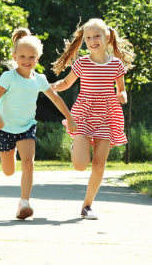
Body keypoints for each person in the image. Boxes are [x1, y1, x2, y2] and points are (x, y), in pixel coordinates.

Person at [51, 18, 135, 220]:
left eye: (97, 36)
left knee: (99, 165)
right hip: (84, 115)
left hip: (107, 115)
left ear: (107, 37)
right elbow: (66, 83)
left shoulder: (116, 64)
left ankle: (87, 206)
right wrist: (49, 86)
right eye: (88, 37)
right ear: (84, 42)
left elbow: (120, 90)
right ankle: (77, 145)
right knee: (80, 165)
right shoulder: (82, 63)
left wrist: (121, 96)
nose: (92, 40)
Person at [0, 28, 77, 219]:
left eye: (31, 56)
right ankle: (10, 155)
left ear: (38, 58)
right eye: (22, 56)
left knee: (28, 163)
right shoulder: (8, 77)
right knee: (8, 171)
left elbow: (56, 99)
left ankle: (25, 202)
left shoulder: (39, 79)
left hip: (27, 127)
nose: (26, 60)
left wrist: (69, 117)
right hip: (4, 128)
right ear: (14, 56)